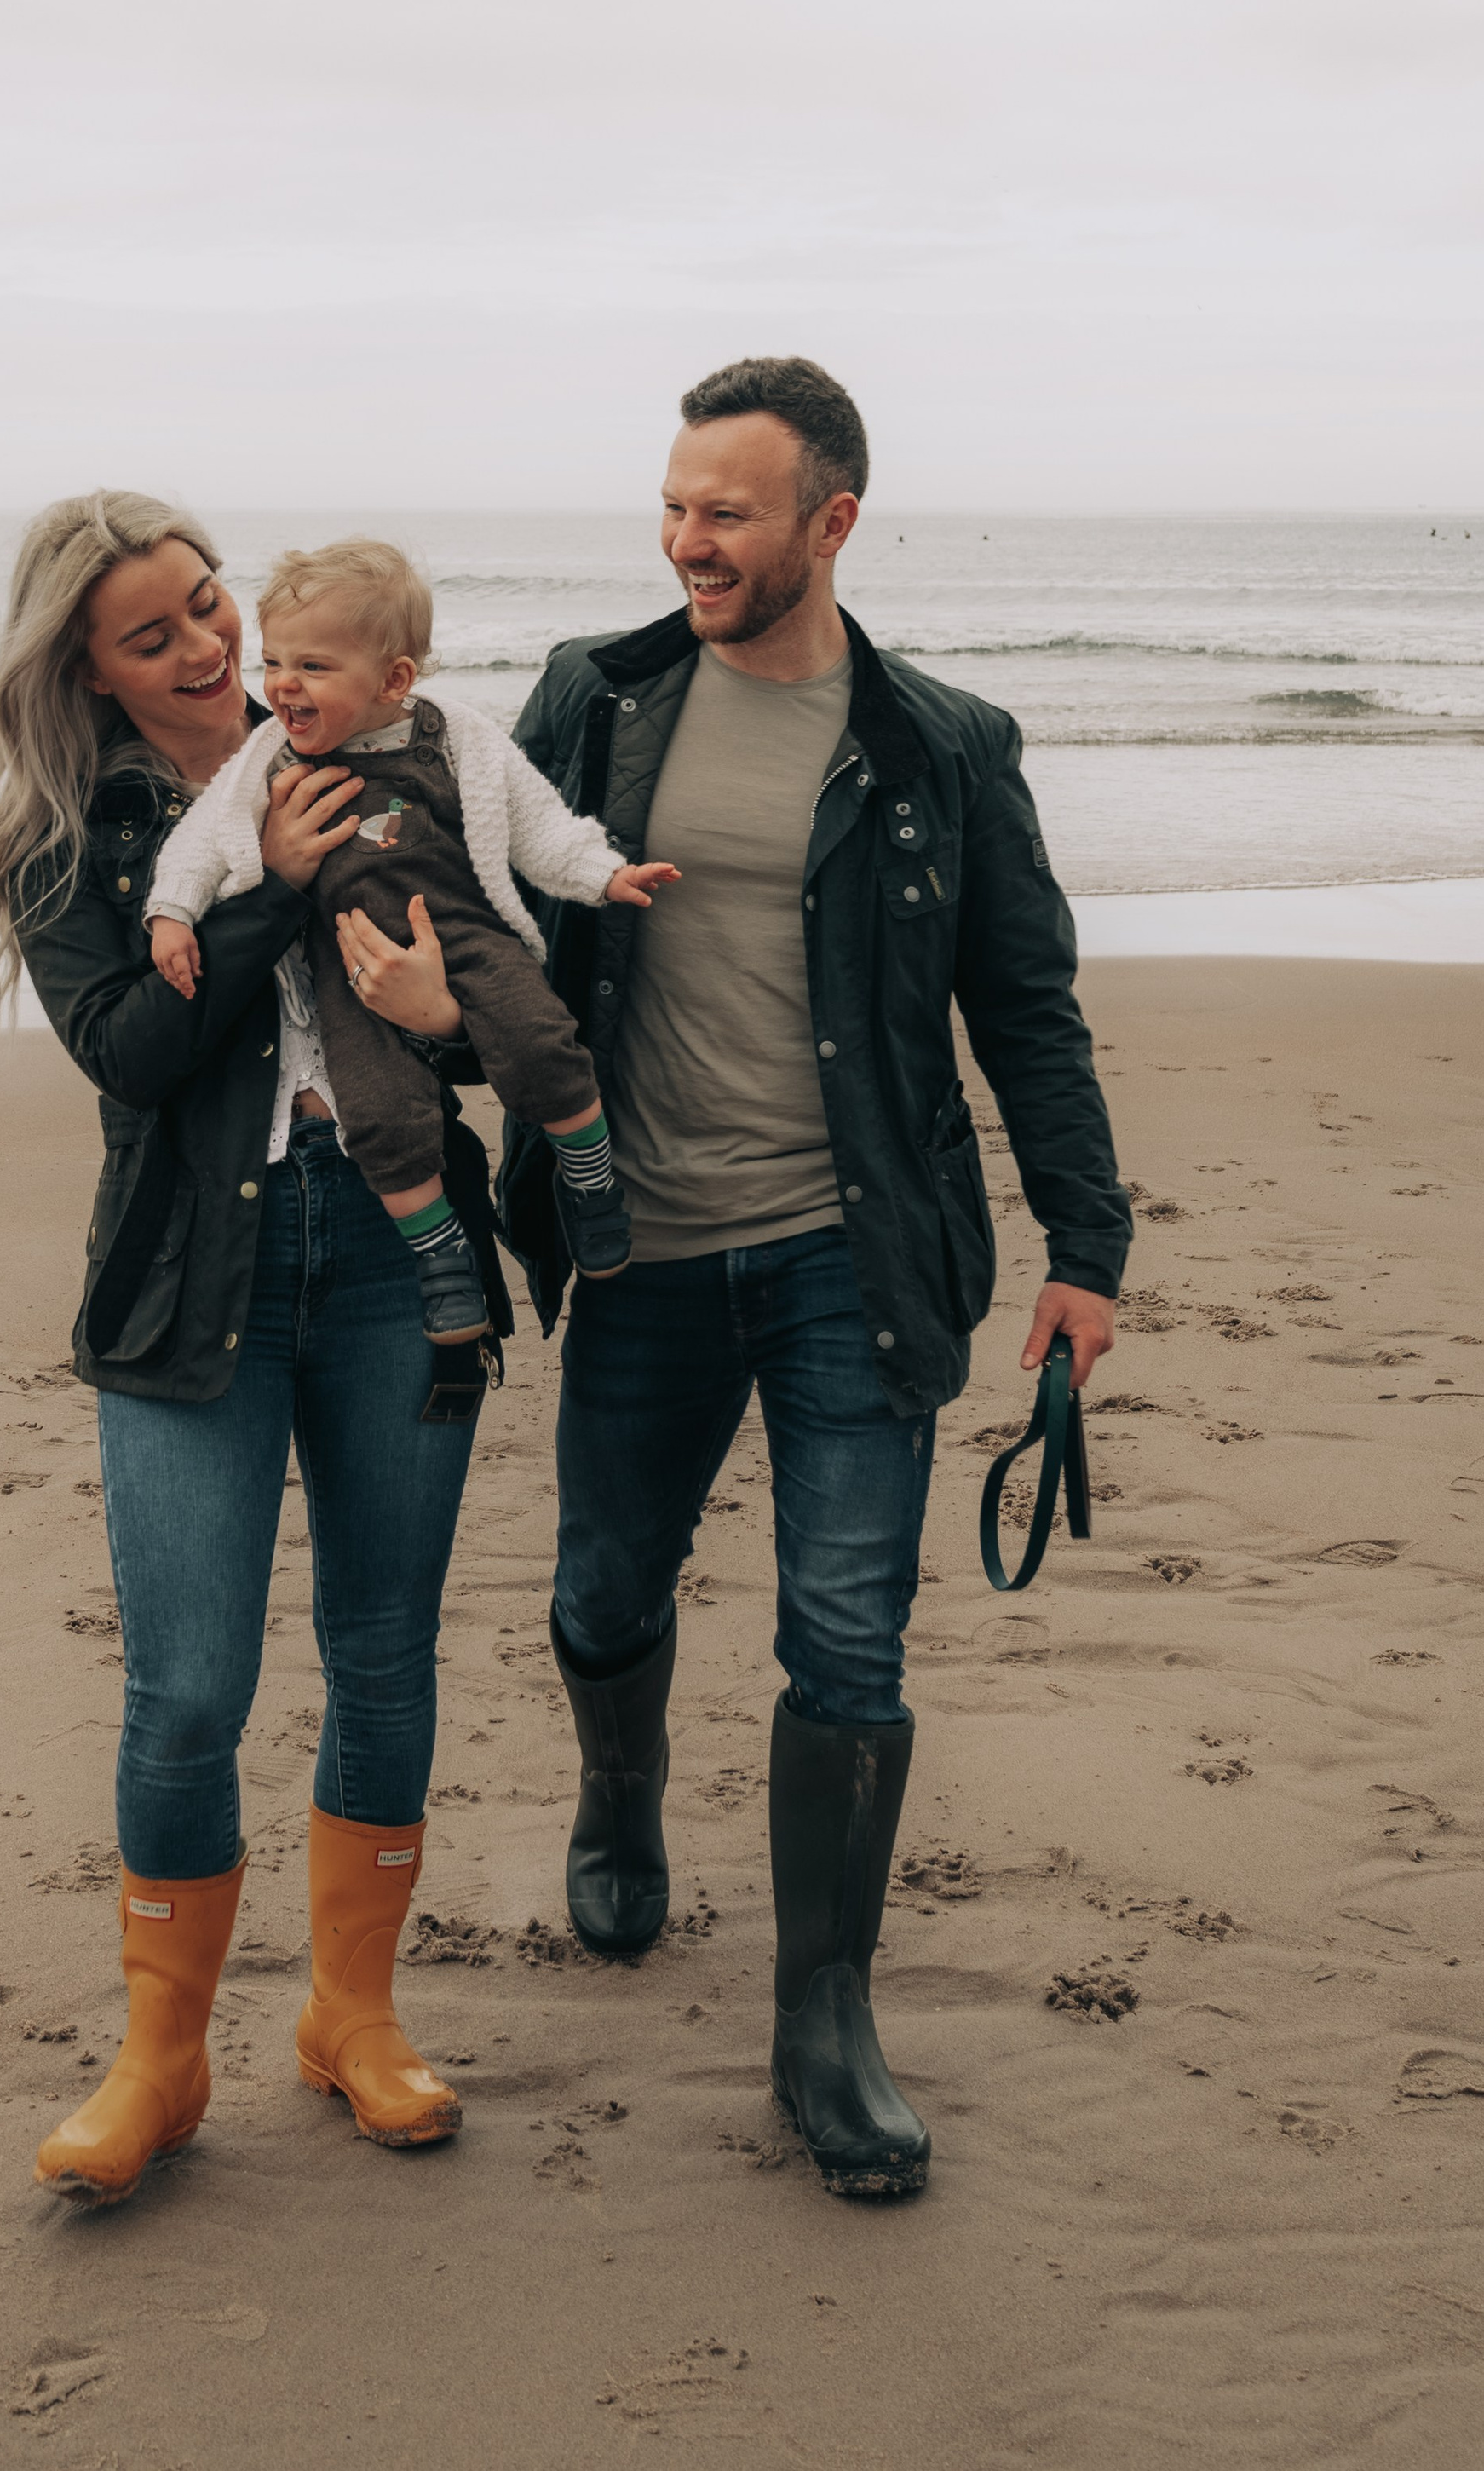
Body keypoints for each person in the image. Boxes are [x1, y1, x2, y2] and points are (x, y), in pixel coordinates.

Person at [500, 359, 1131, 2199]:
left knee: (849, 1638)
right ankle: (621, 1796)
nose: (690, 538)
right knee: (607, 1584)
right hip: (640, 1247)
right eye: (678, 504)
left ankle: (826, 2018)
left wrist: (1087, 1249)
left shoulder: (942, 747)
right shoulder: (594, 701)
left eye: (730, 512)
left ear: (830, 524)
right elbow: (507, 941)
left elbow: (1026, 1009)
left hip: (855, 1254)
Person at [0, 491, 495, 2205]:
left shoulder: (377, 745)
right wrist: (267, 891)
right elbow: (130, 1048)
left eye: (210, 604)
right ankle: (162, 2056)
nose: (209, 648)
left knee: (384, 1650)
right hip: (189, 1279)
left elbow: (495, 971)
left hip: (389, 1245)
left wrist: (460, 1023)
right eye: (159, 633)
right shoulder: (74, 835)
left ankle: (353, 2015)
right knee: (188, 1687)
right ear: (93, 673)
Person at [145, 537, 677, 1343]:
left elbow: (537, 823)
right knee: (379, 1115)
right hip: (346, 964)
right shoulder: (270, 755)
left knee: (541, 1040)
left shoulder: (452, 736)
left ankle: (592, 1180)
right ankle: (440, 1258)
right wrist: (172, 913)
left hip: (462, 934)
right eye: (277, 662)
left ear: (393, 679)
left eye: (315, 667)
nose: (284, 684)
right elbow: (205, 839)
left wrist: (604, 875)